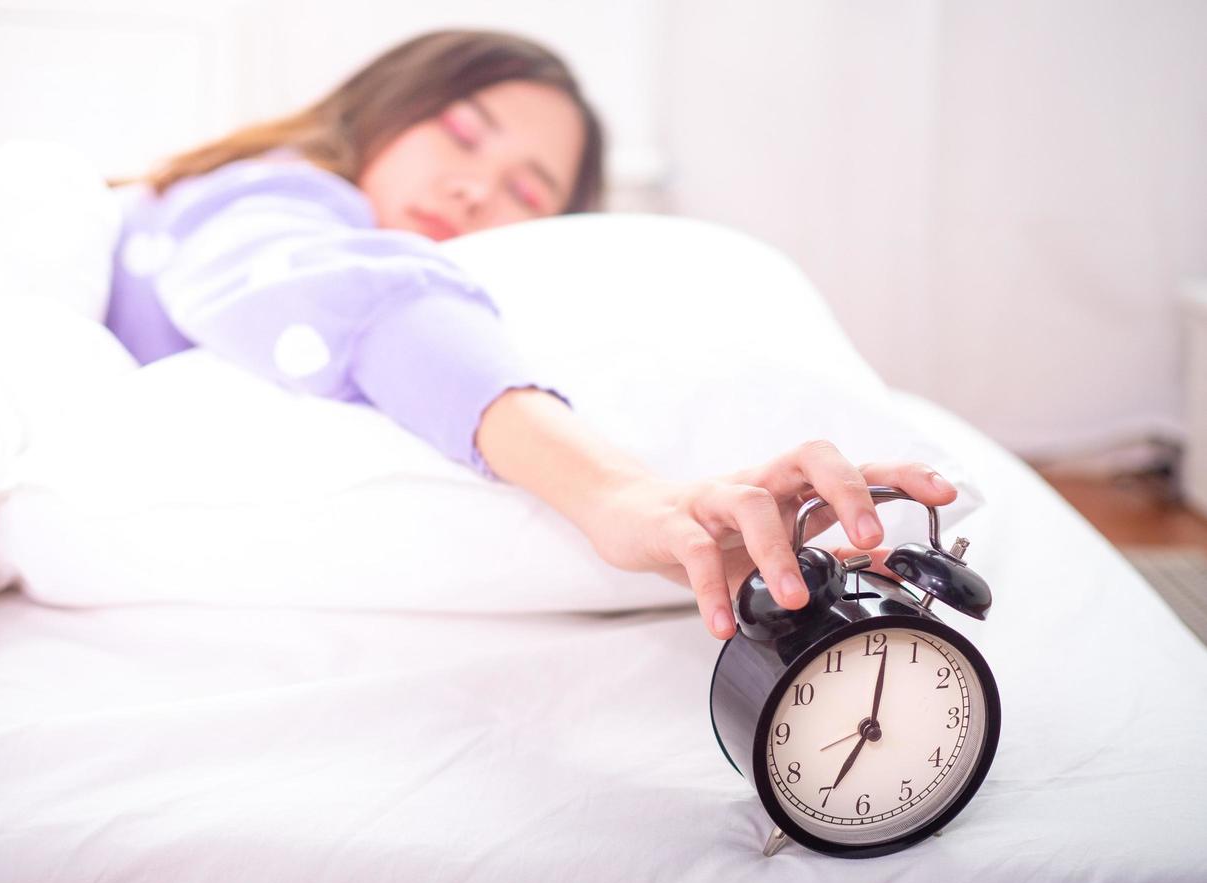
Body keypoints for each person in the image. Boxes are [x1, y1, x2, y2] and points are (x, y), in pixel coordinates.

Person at [104, 29, 958, 641]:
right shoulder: (274, 198)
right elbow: (351, 297)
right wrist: (622, 496)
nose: (475, 189)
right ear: (384, 107)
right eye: (463, 135)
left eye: (525, 192)